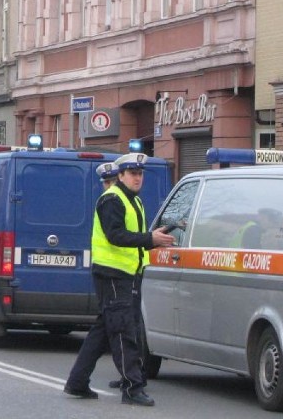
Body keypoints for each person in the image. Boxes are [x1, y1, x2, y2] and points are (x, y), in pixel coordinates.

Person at [64, 153, 175, 407]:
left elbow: (131, 236)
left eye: (140, 174)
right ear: (121, 176)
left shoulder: (131, 200)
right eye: (132, 174)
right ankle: (132, 388)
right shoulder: (113, 198)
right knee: (124, 330)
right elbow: (115, 235)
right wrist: (150, 240)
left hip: (125, 274)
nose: (138, 178)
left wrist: (152, 238)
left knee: (104, 330)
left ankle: (77, 381)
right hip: (113, 274)